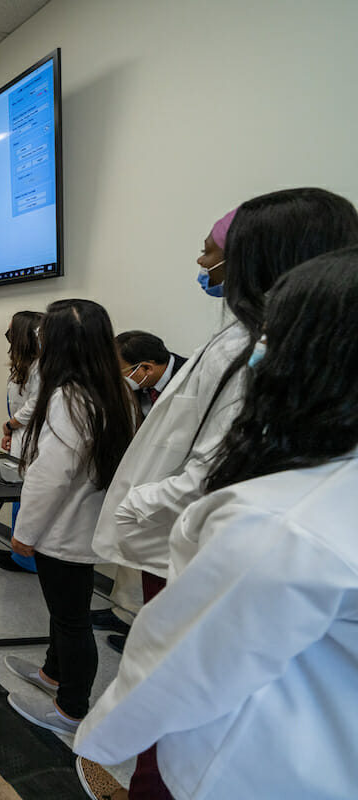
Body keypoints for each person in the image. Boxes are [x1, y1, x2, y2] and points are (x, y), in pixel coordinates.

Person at [88, 188, 358, 800]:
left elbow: (172, 672)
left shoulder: (288, 524)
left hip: (191, 542)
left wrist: (139, 506)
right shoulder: (239, 340)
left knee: (178, 717)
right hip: (189, 540)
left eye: (213, 255)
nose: (204, 264)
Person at [3, 299, 135, 738]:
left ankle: (72, 708)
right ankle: (53, 673)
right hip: (84, 524)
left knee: (72, 619)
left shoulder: (70, 397)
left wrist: (24, 532)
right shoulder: (115, 392)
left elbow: (51, 475)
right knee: (67, 611)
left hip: (62, 528)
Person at [93, 330, 190, 651]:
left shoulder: (191, 379)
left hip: (173, 487)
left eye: (123, 372)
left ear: (145, 368)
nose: (121, 380)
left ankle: (148, 637)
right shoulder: (141, 385)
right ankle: (124, 612)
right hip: (140, 477)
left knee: (159, 568)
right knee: (131, 556)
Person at [0, 309, 44, 573]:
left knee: (28, 498)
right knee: (19, 497)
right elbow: (17, 402)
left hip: (34, 439)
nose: (8, 334)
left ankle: (29, 560)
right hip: (20, 436)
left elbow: (35, 404)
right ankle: (20, 555)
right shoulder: (24, 364)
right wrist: (9, 431)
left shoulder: (41, 366)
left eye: (11, 329)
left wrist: (11, 425)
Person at [117, 331, 188, 420]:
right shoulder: (139, 385)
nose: (115, 378)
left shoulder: (192, 377)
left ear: (147, 368)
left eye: (119, 372)